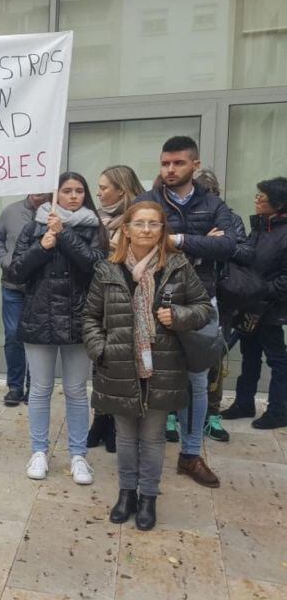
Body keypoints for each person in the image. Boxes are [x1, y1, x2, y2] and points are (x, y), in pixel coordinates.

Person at [82, 201, 213, 531]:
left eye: (153, 224)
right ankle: (126, 493)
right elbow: (90, 317)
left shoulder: (178, 266)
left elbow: (203, 308)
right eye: (139, 224)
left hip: (164, 366)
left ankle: (149, 497)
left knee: (153, 437)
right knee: (125, 436)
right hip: (119, 365)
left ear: (162, 230)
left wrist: (179, 316)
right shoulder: (108, 269)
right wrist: (101, 350)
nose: (146, 230)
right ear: (125, 229)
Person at [135, 135, 235, 488]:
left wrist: (175, 239)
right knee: (150, 376)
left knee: (195, 382)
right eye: (165, 163)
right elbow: (136, 240)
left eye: (178, 163)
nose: (170, 169)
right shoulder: (147, 201)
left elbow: (228, 245)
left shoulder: (213, 203)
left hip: (199, 301)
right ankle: (146, 456)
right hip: (151, 298)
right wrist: (199, 242)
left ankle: (191, 455)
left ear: (195, 164)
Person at [10, 172, 107, 485]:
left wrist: (64, 235)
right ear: (56, 195)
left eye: (80, 190)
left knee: (77, 391)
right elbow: (16, 271)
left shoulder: (94, 227)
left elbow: (96, 265)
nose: (74, 196)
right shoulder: (35, 227)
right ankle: (39, 451)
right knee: (39, 389)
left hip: (80, 318)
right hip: (40, 317)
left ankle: (78, 455)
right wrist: (42, 245)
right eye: (67, 191)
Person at [85, 165, 142, 453]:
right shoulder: (96, 219)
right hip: (101, 300)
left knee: (124, 367)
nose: (98, 192)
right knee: (102, 364)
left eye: (104, 187)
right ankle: (101, 421)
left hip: (128, 303)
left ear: (121, 189)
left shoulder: (138, 219)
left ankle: (119, 428)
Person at [223, 178, 287, 430]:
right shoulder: (260, 228)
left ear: (279, 203)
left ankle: (279, 410)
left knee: (277, 360)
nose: (256, 200)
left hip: (270, 309)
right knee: (250, 355)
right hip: (249, 306)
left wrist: (259, 292)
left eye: (262, 197)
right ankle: (244, 402)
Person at [192, 167, 245, 443]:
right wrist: (203, 243)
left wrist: (223, 244)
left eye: (213, 192)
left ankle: (212, 415)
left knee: (214, 356)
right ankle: (176, 416)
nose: (209, 198)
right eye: (203, 192)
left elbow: (246, 251)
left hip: (220, 296)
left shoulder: (231, 219)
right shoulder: (186, 219)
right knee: (180, 358)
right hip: (187, 296)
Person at [0, 192, 52, 406]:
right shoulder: (11, 211)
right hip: (12, 286)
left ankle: (34, 387)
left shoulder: (57, 213)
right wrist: (5, 259)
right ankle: (15, 387)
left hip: (41, 288)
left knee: (36, 338)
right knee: (13, 335)